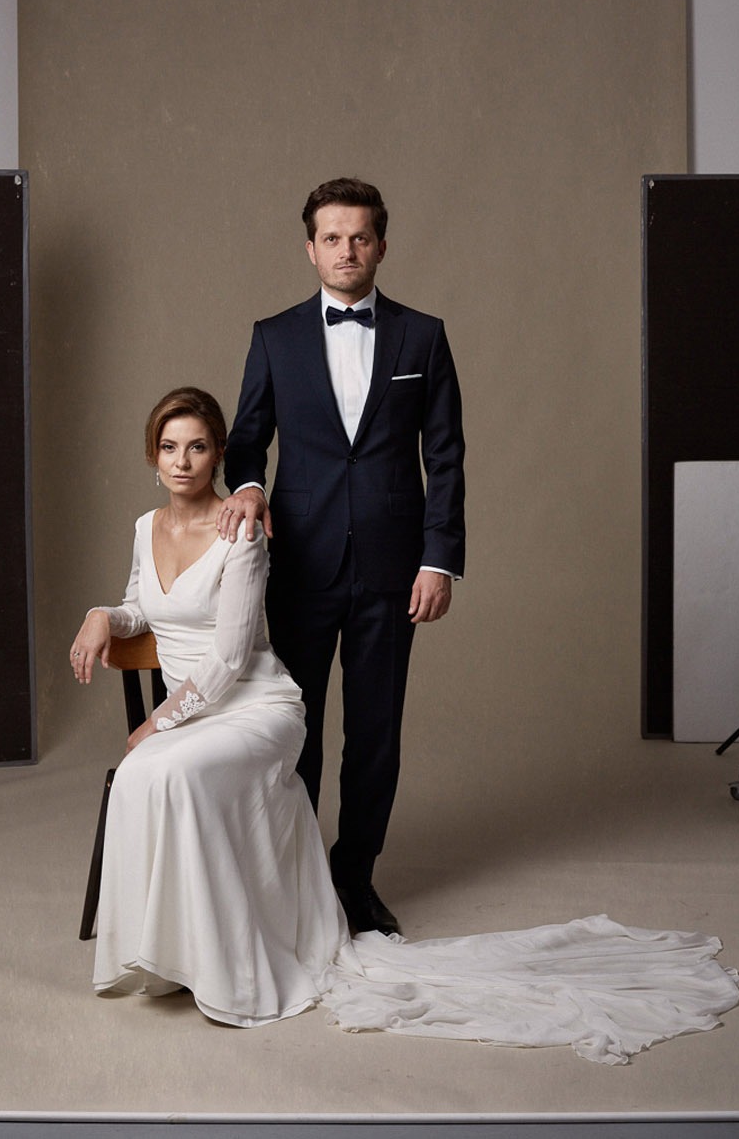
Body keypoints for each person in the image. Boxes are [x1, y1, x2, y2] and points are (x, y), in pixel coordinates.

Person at [70, 387, 739, 1061]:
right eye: (169, 447)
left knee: (165, 769)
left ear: (220, 453)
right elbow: (140, 606)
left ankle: (227, 964)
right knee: (139, 776)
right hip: (192, 716)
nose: (182, 461)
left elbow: (229, 657)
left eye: (196, 447)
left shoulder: (240, 531)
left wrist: (161, 719)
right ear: (152, 456)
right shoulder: (144, 528)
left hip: (252, 708)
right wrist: (105, 615)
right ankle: (166, 955)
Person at [219, 178, 465, 936]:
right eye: (332, 237)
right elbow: (245, 441)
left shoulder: (423, 337)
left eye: (360, 237)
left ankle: (354, 881)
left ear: (381, 246)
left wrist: (439, 559)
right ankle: (290, 882)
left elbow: (446, 456)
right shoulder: (274, 336)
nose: (347, 250)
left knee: (376, 738)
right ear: (311, 249)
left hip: (393, 570)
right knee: (293, 730)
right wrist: (250, 488)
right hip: (300, 565)